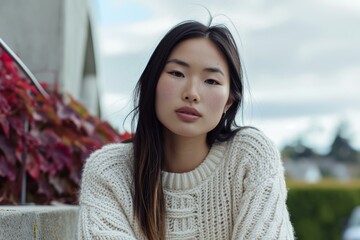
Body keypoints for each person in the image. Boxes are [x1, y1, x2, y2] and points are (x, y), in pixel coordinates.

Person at [78, 20, 295, 239]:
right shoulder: (109, 171)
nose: (192, 93)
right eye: (177, 73)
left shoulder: (250, 156)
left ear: (228, 102)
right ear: (152, 83)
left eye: (211, 80)